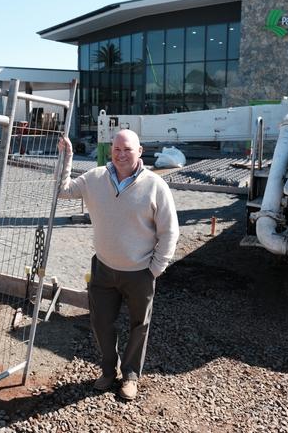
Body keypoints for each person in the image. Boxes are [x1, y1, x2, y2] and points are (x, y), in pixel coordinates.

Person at [57, 129, 179, 400]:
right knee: (100, 323)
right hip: (103, 268)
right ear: (110, 151)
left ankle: (131, 375)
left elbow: (170, 231)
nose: (121, 155)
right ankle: (108, 370)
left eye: (127, 150)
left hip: (140, 273)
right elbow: (62, 191)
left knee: (139, 325)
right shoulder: (96, 178)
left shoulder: (155, 186)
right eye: (117, 150)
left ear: (140, 151)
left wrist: (156, 268)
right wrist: (66, 158)